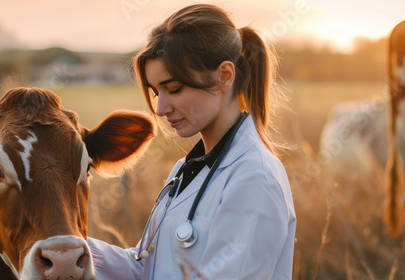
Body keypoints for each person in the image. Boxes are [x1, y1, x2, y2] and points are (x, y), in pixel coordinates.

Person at [88, 4, 296, 280]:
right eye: (156, 92)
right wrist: (72, 245)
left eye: (173, 89)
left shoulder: (254, 178)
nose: (161, 109)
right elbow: (145, 269)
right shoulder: (185, 171)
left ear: (224, 76)